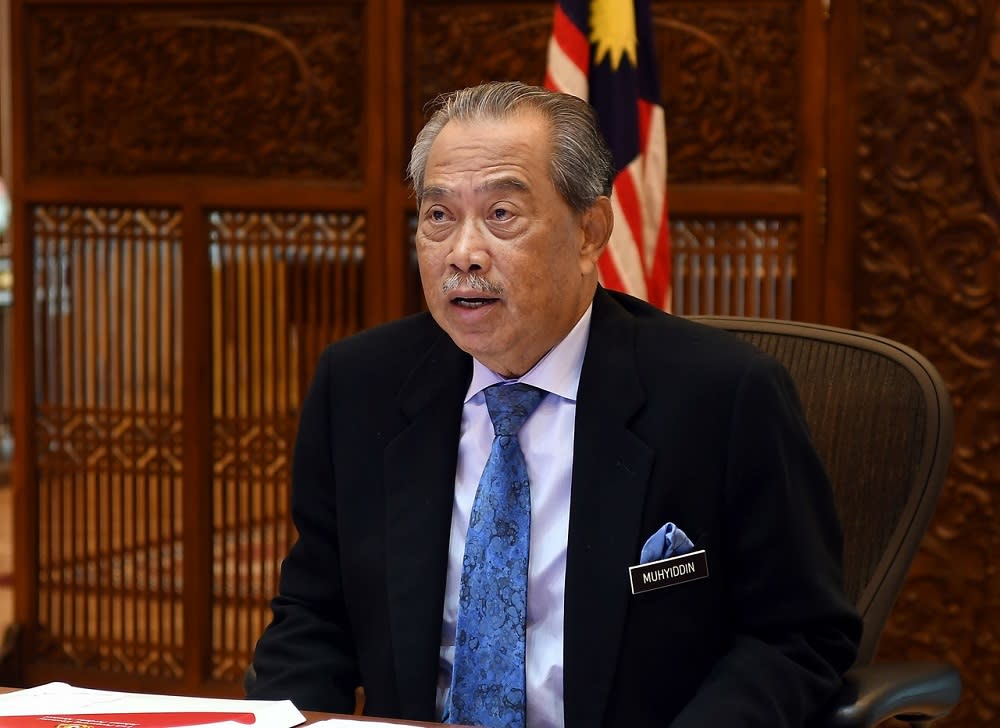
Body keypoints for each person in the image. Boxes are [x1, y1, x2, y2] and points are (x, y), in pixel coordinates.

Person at [246, 80, 861, 727]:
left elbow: (797, 636)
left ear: (591, 230)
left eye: (501, 215)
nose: (463, 254)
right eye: (438, 216)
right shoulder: (361, 385)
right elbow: (315, 615)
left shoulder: (723, 396)